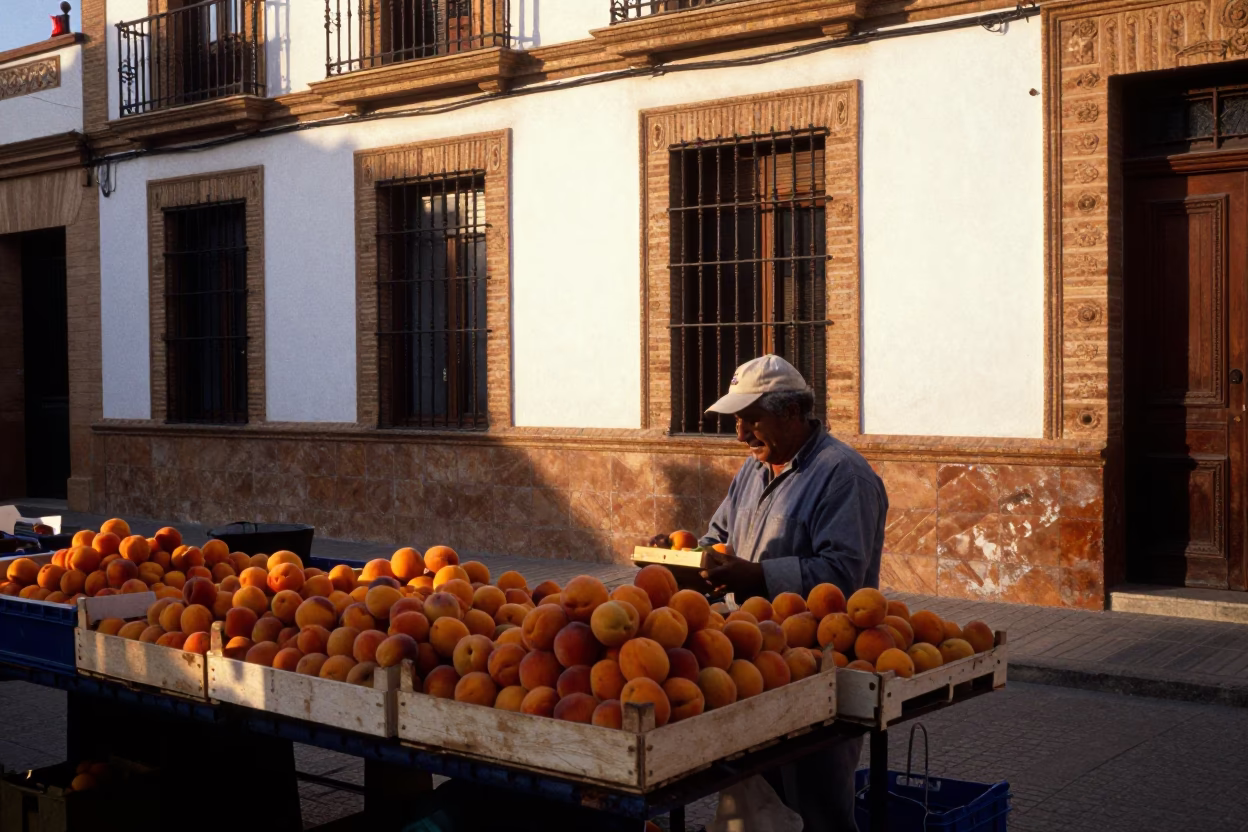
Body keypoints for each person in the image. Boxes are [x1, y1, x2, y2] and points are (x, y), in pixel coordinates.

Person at [698, 353, 889, 832]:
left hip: (818, 667)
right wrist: (685, 558)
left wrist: (757, 576)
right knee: (758, 800)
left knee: (817, 804)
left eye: (751, 419)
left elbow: (842, 574)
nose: (741, 434)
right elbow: (718, 535)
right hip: (753, 658)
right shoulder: (753, 469)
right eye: (737, 421)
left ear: (791, 412)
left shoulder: (844, 475)